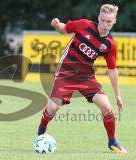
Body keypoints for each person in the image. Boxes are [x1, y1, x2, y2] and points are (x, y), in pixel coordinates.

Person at [37, 4, 127, 154]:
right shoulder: (83, 25)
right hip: (66, 71)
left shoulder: (109, 44)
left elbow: (112, 69)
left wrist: (117, 94)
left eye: (109, 22)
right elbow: (64, 29)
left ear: (114, 22)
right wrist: (57, 25)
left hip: (86, 76)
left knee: (106, 106)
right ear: (98, 18)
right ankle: (40, 134)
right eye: (103, 20)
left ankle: (112, 142)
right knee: (53, 108)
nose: (105, 25)